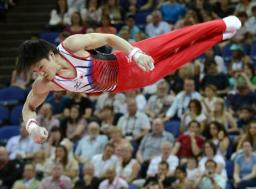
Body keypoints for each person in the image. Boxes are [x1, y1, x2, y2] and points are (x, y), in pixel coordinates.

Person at [17, 16, 242, 144]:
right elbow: (29, 107)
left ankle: (221, 24)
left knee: (175, 40)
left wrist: (137, 54)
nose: (40, 74)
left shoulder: (71, 46)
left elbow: (108, 37)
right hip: (128, 83)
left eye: (40, 67)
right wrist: (33, 126)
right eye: (36, 72)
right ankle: (220, 37)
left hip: (127, 58)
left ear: (50, 55)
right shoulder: (46, 84)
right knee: (181, 57)